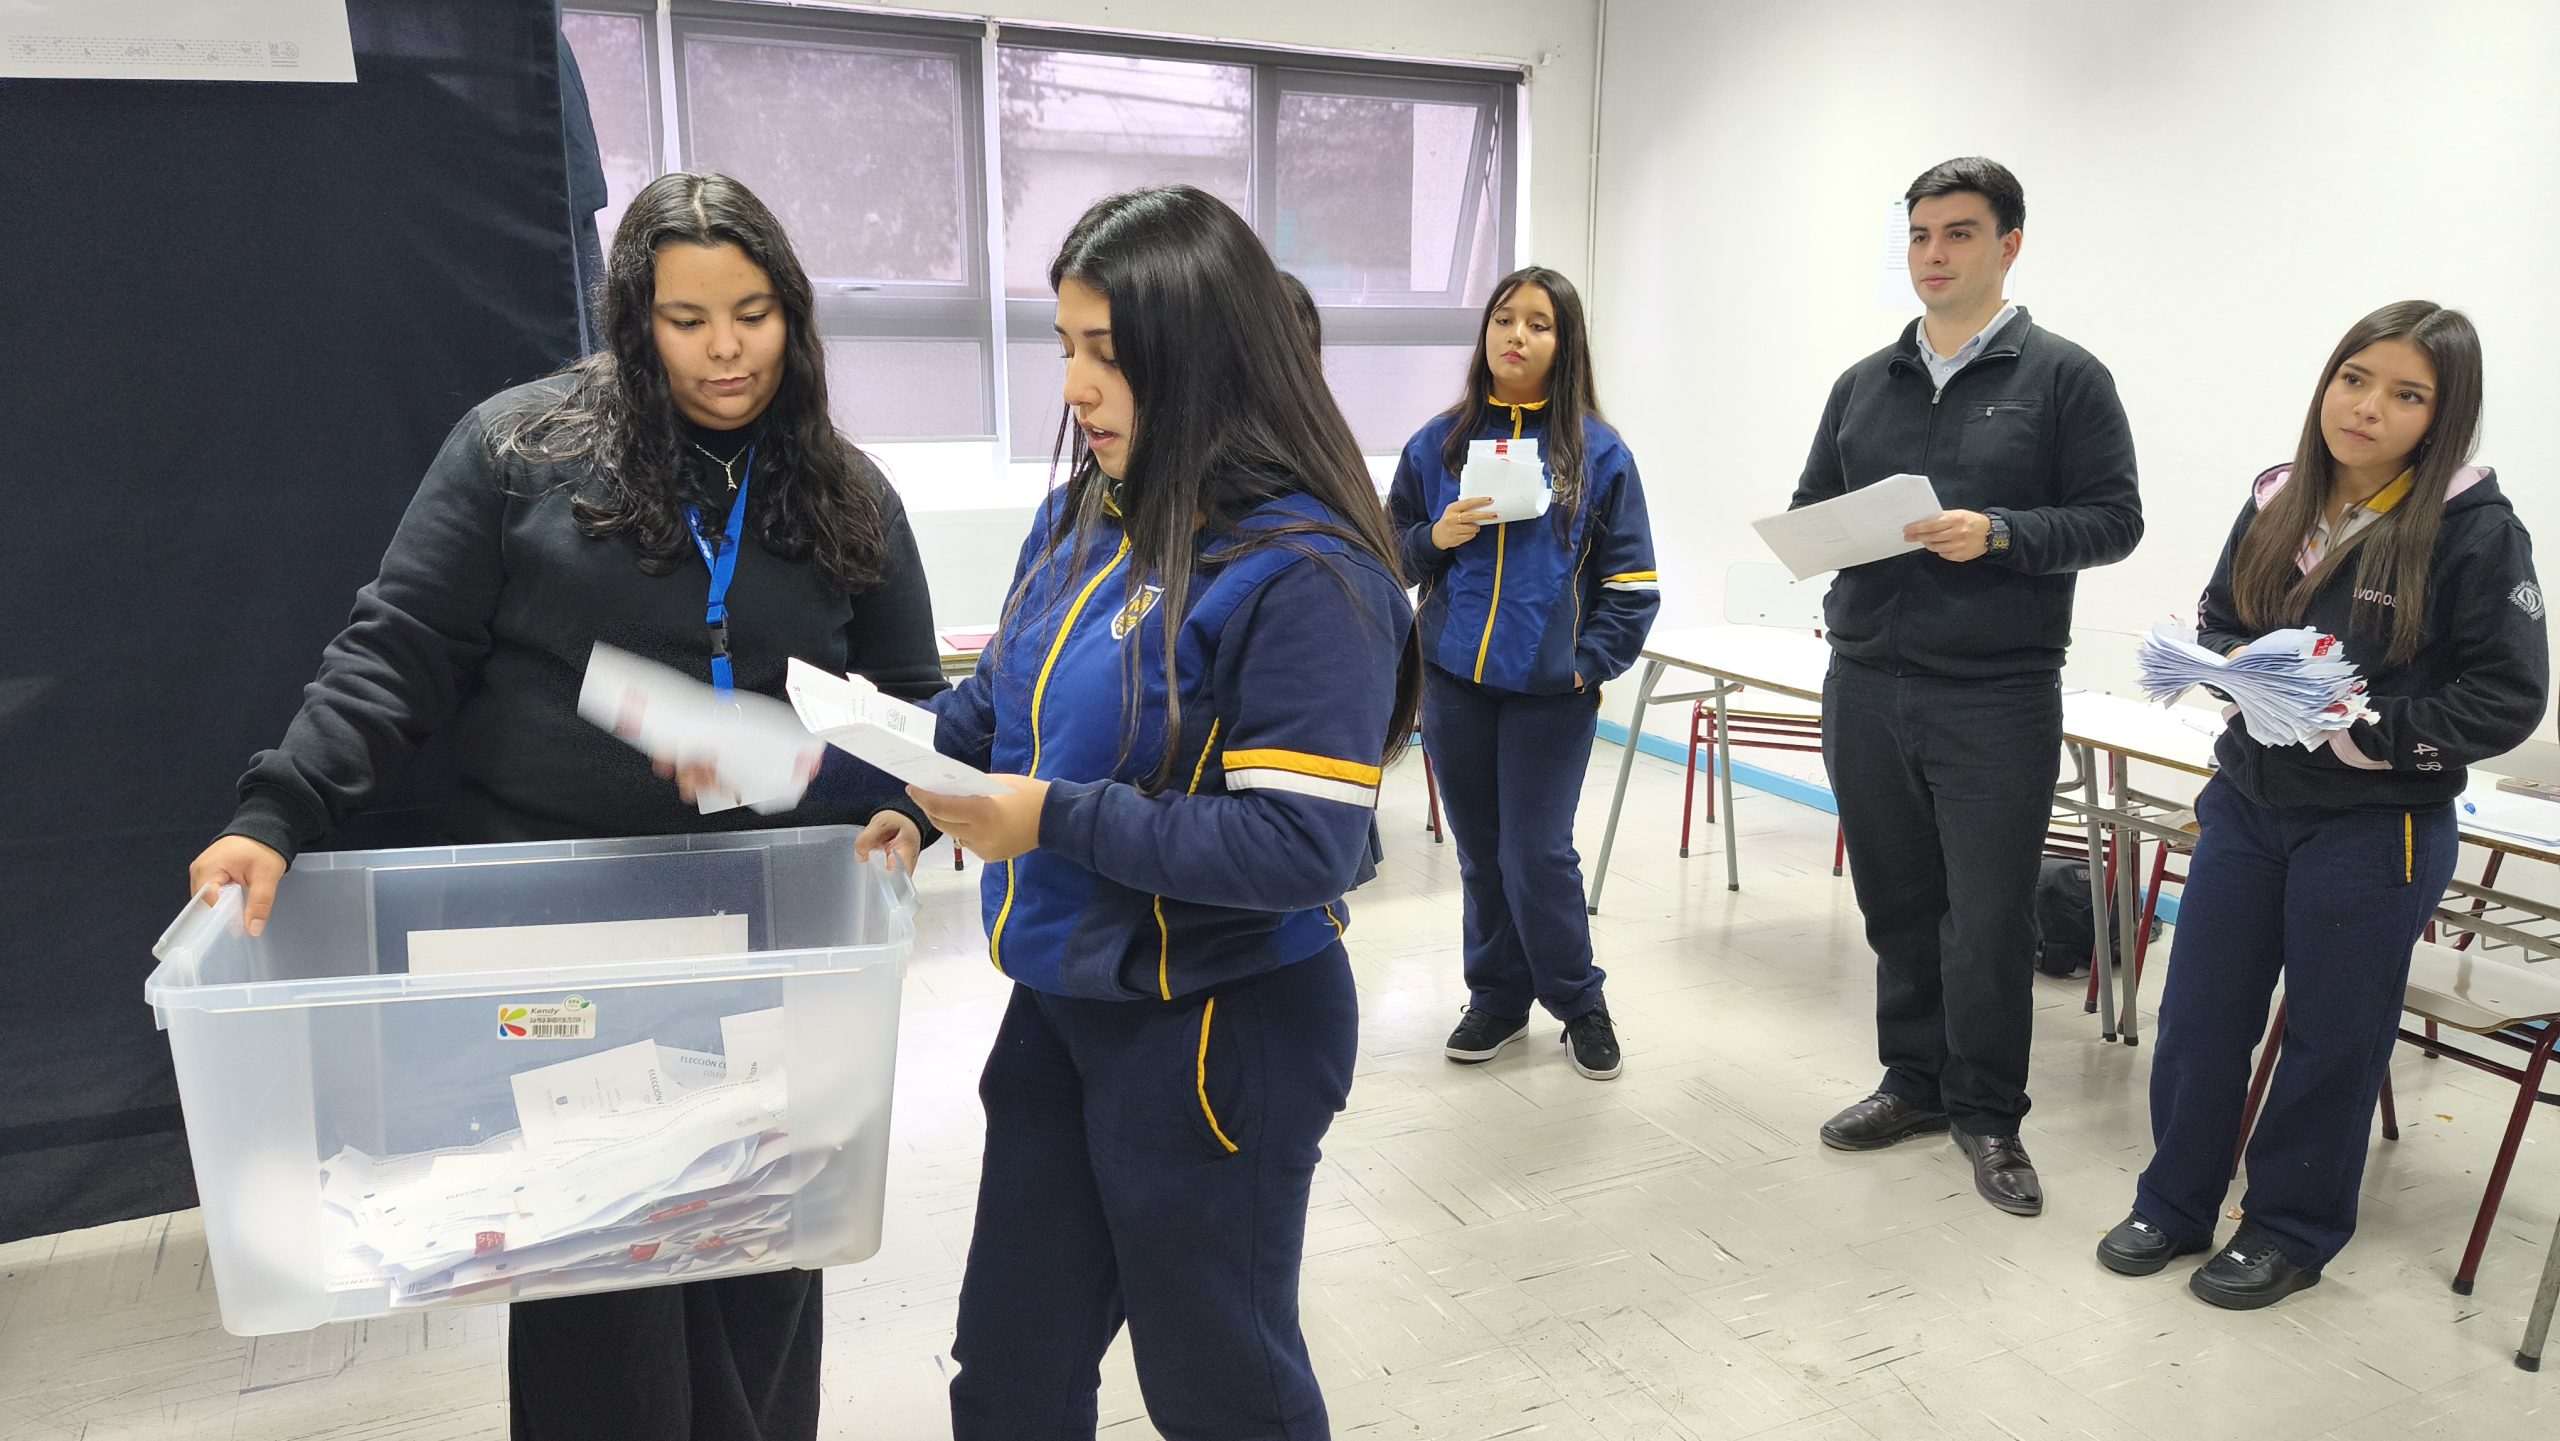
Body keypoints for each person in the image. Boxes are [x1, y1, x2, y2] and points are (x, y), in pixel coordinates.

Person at [183, 171, 942, 1441]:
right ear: (634, 321)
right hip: (560, 935)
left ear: (793, 316)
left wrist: (908, 809)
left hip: (770, 937)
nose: (725, 350)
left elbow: (917, 703)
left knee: (760, 1257)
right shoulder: (519, 450)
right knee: (594, 1279)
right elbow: (397, 650)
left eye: (753, 315)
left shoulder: (846, 489)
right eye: (686, 320)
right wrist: (275, 812)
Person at [902, 186, 1417, 1439]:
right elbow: (1000, 701)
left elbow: (1302, 846)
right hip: (1064, 998)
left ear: (1200, 354)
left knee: (1218, 1388)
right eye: (1065, 346)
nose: (1074, 387)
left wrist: (1051, 819)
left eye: (1107, 353)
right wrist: (901, 795)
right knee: (1010, 1370)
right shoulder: (1083, 513)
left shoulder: (1306, 571)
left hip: (1219, 1024)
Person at [2101, 302, 2547, 1308]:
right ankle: (2174, 1202)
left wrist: (2357, 725)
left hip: (2376, 828)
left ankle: (2289, 1229)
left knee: (2331, 1035)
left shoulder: (2475, 531)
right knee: (2201, 1014)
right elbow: (2221, 617)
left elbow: (2506, 697)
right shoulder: (2277, 497)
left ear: (2441, 417)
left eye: (2406, 394)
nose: (2367, 407)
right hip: (2247, 803)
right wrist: (2231, 670)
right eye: (2354, 378)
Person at [1795, 157, 2142, 1216]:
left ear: (2008, 245)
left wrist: (1998, 533)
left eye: (1957, 233)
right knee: (1896, 901)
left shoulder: (2064, 378)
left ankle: (1989, 1112)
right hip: (1865, 681)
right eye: (1919, 235)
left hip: (1995, 693)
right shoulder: (1865, 382)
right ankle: (1913, 1082)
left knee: (1988, 919)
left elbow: (2113, 520)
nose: (1933, 255)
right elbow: (1812, 505)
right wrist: (1829, 535)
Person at [1387, 266, 1658, 1081]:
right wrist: (1433, 537)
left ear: (1564, 343)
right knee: (1480, 853)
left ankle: (1580, 1004)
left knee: (1536, 855)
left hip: (1550, 694)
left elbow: (1632, 583)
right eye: (1505, 317)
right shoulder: (1438, 443)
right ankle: (1499, 999)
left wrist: (1585, 666)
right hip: (1454, 683)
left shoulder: (1599, 453)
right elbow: (1388, 550)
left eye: (1539, 323)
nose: (1517, 335)